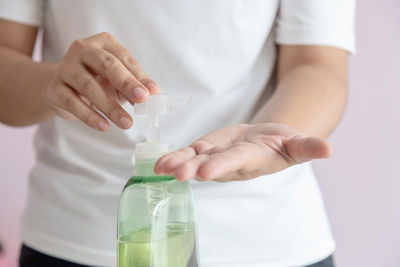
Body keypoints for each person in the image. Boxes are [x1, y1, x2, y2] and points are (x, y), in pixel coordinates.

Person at [0, 1, 355, 266]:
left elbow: (317, 63)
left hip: (267, 237)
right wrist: (56, 85)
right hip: (75, 231)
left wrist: (270, 137)